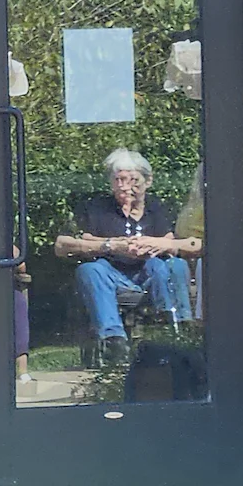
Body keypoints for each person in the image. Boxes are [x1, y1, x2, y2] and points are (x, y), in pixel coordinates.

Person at [54, 148, 201, 367]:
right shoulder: (97, 207)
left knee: (173, 265)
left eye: (132, 180)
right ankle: (114, 342)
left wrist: (159, 244)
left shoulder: (158, 208)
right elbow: (62, 245)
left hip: (152, 274)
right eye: (118, 180)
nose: (124, 187)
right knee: (90, 270)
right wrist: (111, 245)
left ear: (148, 181)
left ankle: (176, 330)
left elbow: (187, 243)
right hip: (112, 274)